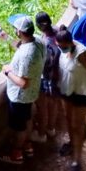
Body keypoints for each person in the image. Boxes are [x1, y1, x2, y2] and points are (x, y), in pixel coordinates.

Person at [0, 16, 45, 164]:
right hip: (32, 93)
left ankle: (16, 153)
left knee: (19, 127)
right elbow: (21, 45)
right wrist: (6, 38)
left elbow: (23, 83)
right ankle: (27, 144)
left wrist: (7, 71)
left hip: (20, 96)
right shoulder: (37, 41)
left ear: (19, 31)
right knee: (28, 118)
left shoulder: (26, 55)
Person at [56, 29, 86, 171]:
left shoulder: (81, 53)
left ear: (70, 42)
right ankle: (74, 142)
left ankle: (77, 161)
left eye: (64, 46)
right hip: (67, 90)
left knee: (75, 125)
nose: (62, 48)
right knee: (69, 120)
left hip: (82, 92)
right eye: (60, 46)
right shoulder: (62, 50)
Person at [31, 12, 62, 143]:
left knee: (42, 107)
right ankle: (51, 128)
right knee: (54, 104)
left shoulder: (46, 43)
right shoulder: (58, 31)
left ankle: (42, 134)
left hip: (47, 76)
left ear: (39, 26)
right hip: (59, 75)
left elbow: (45, 61)